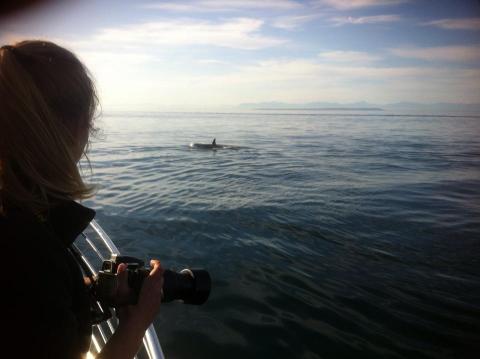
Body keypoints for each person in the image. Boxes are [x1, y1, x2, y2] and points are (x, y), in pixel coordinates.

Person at [0, 40, 164, 358]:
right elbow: (29, 290)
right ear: (70, 128)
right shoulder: (26, 250)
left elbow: (30, 311)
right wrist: (137, 323)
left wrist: (93, 289)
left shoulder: (20, 218)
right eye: (88, 121)